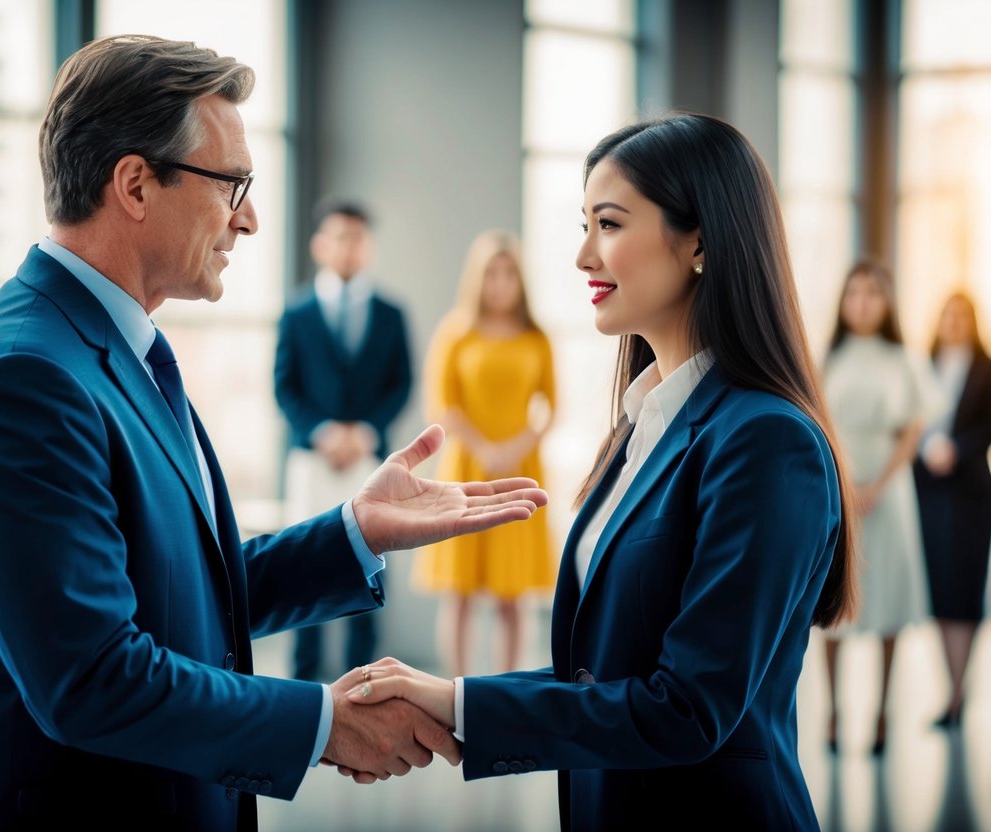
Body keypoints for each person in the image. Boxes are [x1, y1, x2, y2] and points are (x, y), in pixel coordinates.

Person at [0, 35, 546, 831]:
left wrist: (351, 533)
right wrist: (321, 722)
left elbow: (174, 594)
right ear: (135, 184)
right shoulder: (22, 381)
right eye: (231, 184)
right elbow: (94, 678)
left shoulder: (103, 347)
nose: (247, 219)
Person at [341, 113, 859, 830]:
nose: (583, 257)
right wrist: (451, 695)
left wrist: (462, 706)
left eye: (608, 225)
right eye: (584, 225)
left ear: (700, 241)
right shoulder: (638, 424)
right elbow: (605, 669)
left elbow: (685, 709)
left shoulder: (767, 442)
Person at [274, 198, 412, 682]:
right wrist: (324, 431)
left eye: (357, 238)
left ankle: (366, 680)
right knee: (302, 568)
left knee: (368, 568)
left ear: (368, 247)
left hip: (369, 461)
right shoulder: (296, 311)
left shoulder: (392, 313)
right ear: (320, 245)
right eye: (338, 237)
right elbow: (284, 386)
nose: (348, 248)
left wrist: (365, 431)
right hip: (313, 460)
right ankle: (303, 681)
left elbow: (402, 383)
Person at [412, 230, 556, 676]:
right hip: (467, 469)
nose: (499, 282)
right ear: (477, 278)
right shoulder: (456, 333)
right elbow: (443, 406)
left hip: (520, 470)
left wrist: (514, 447)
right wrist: (484, 449)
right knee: (462, 589)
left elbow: (551, 408)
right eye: (491, 273)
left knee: (513, 593)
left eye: (508, 273)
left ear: (520, 280)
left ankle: (506, 686)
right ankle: (457, 687)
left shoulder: (537, 338)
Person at [821, 259, 933, 754]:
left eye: (872, 294)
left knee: (887, 600)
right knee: (833, 603)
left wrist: (879, 486)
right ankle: (833, 711)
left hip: (889, 495)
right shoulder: (830, 358)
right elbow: (818, 421)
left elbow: (913, 429)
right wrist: (847, 485)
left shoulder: (902, 358)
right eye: (854, 293)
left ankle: (884, 711)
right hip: (840, 489)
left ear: (886, 303)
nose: (862, 303)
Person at [913, 291, 991, 728]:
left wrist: (956, 450)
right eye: (949, 314)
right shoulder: (924, 366)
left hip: (971, 494)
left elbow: (986, 427)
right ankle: (953, 687)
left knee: (965, 587)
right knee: (940, 590)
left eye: (962, 315)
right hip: (927, 491)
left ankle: (960, 690)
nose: (955, 322)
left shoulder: (985, 368)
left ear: (972, 320)